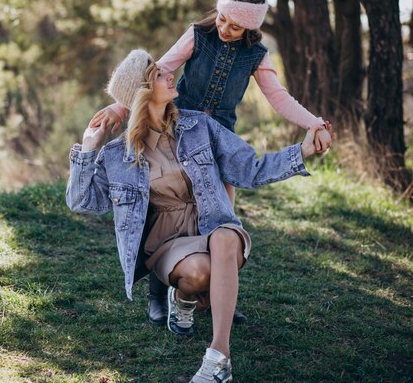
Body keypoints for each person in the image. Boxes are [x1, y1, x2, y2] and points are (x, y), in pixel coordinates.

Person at [66, 49, 325, 383]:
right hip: (168, 241)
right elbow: (81, 201)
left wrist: (302, 151)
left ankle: (218, 359)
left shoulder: (200, 126)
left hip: (210, 226)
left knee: (227, 234)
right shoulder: (118, 155)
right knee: (200, 274)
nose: (171, 74)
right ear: (143, 93)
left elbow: (250, 168)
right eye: (160, 74)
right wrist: (88, 149)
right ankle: (184, 299)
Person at [89, 0, 333, 328]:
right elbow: (160, 69)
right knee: (164, 210)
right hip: (178, 130)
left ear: (251, 27)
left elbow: (278, 97)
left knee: (222, 219)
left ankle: (222, 299)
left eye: (235, 26)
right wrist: (119, 106)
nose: (225, 28)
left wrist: (315, 123)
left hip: (217, 140)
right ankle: (159, 295)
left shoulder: (256, 55)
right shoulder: (197, 35)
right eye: (222, 19)